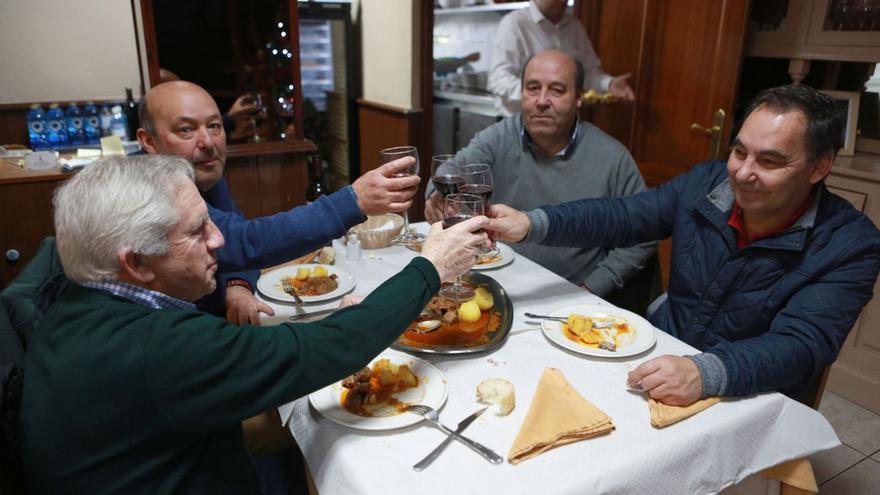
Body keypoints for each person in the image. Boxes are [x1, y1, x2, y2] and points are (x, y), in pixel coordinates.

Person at [19, 155, 488, 494]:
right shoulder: (156, 349)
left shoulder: (73, 294)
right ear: (137, 262)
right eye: (197, 231)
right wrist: (431, 268)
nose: (220, 241)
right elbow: (325, 351)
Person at [485, 84, 880, 406]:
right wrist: (530, 223)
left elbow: (801, 345)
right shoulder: (706, 182)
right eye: (739, 152)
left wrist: (704, 373)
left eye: (770, 162)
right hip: (661, 351)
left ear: (819, 166)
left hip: (746, 387)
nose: (743, 173)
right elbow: (624, 216)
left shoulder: (851, 244)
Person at [137, 81, 419, 325]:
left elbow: (234, 243)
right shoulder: (148, 190)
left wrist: (235, 284)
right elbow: (241, 241)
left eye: (214, 126)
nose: (207, 142)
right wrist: (353, 201)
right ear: (148, 141)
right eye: (186, 130)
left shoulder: (198, 170)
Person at [426, 50, 657, 313]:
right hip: (503, 282)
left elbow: (644, 235)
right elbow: (456, 165)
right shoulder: (502, 135)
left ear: (579, 97)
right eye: (532, 88)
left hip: (568, 295)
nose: (542, 101)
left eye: (557, 91)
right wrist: (435, 194)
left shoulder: (613, 158)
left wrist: (592, 288)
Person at [489, 0, 635, 116]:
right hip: (519, 127)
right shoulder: (514, 24)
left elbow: (588, 73)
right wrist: (541, 95)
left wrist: (608, 84)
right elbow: (499, 79)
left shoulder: (574, 27)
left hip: (562, 130)